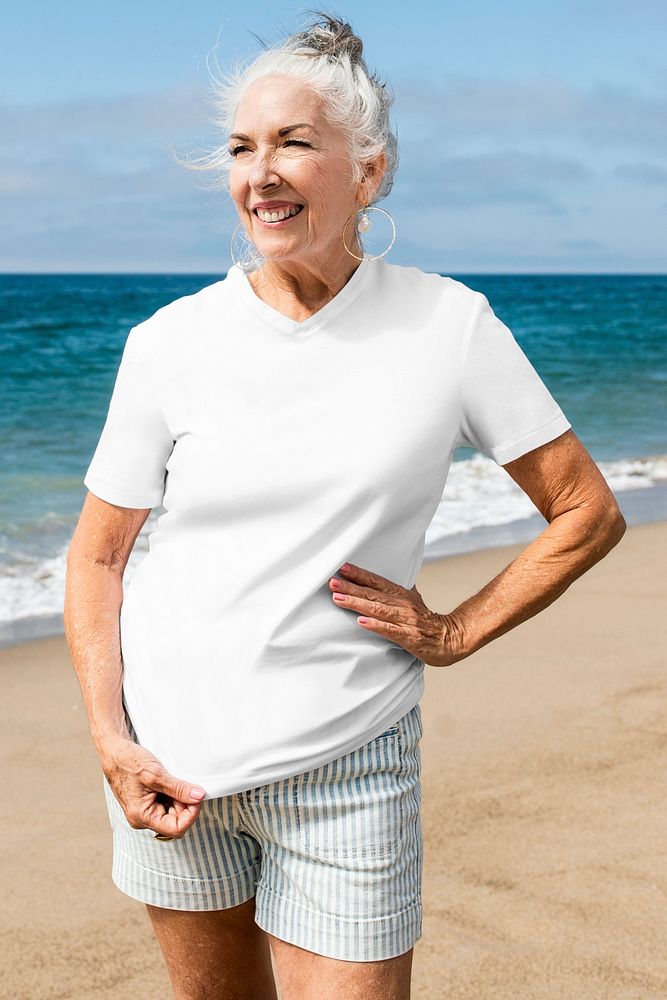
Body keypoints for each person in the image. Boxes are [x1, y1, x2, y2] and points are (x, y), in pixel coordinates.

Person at [64, 11, 626, 1000]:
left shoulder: (448, 326)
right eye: (242, 147)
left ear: (366, 172)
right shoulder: (168, 342)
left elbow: (584, 510)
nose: (260, 170)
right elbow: (99, 557)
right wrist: (112, 741)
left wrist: (455, 630)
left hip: (347, 769)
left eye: (293, 142)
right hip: (167, 763)